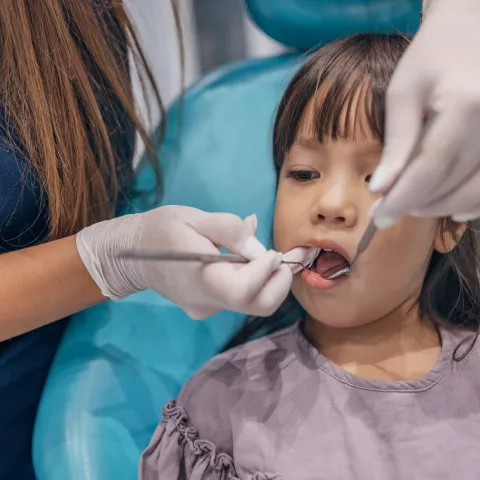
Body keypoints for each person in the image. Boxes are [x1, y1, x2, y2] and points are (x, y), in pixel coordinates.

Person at [139, 33, 480, 480]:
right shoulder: (223, 404)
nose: (330, 203)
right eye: (303, 173)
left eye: (378, 177)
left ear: (449, 222)